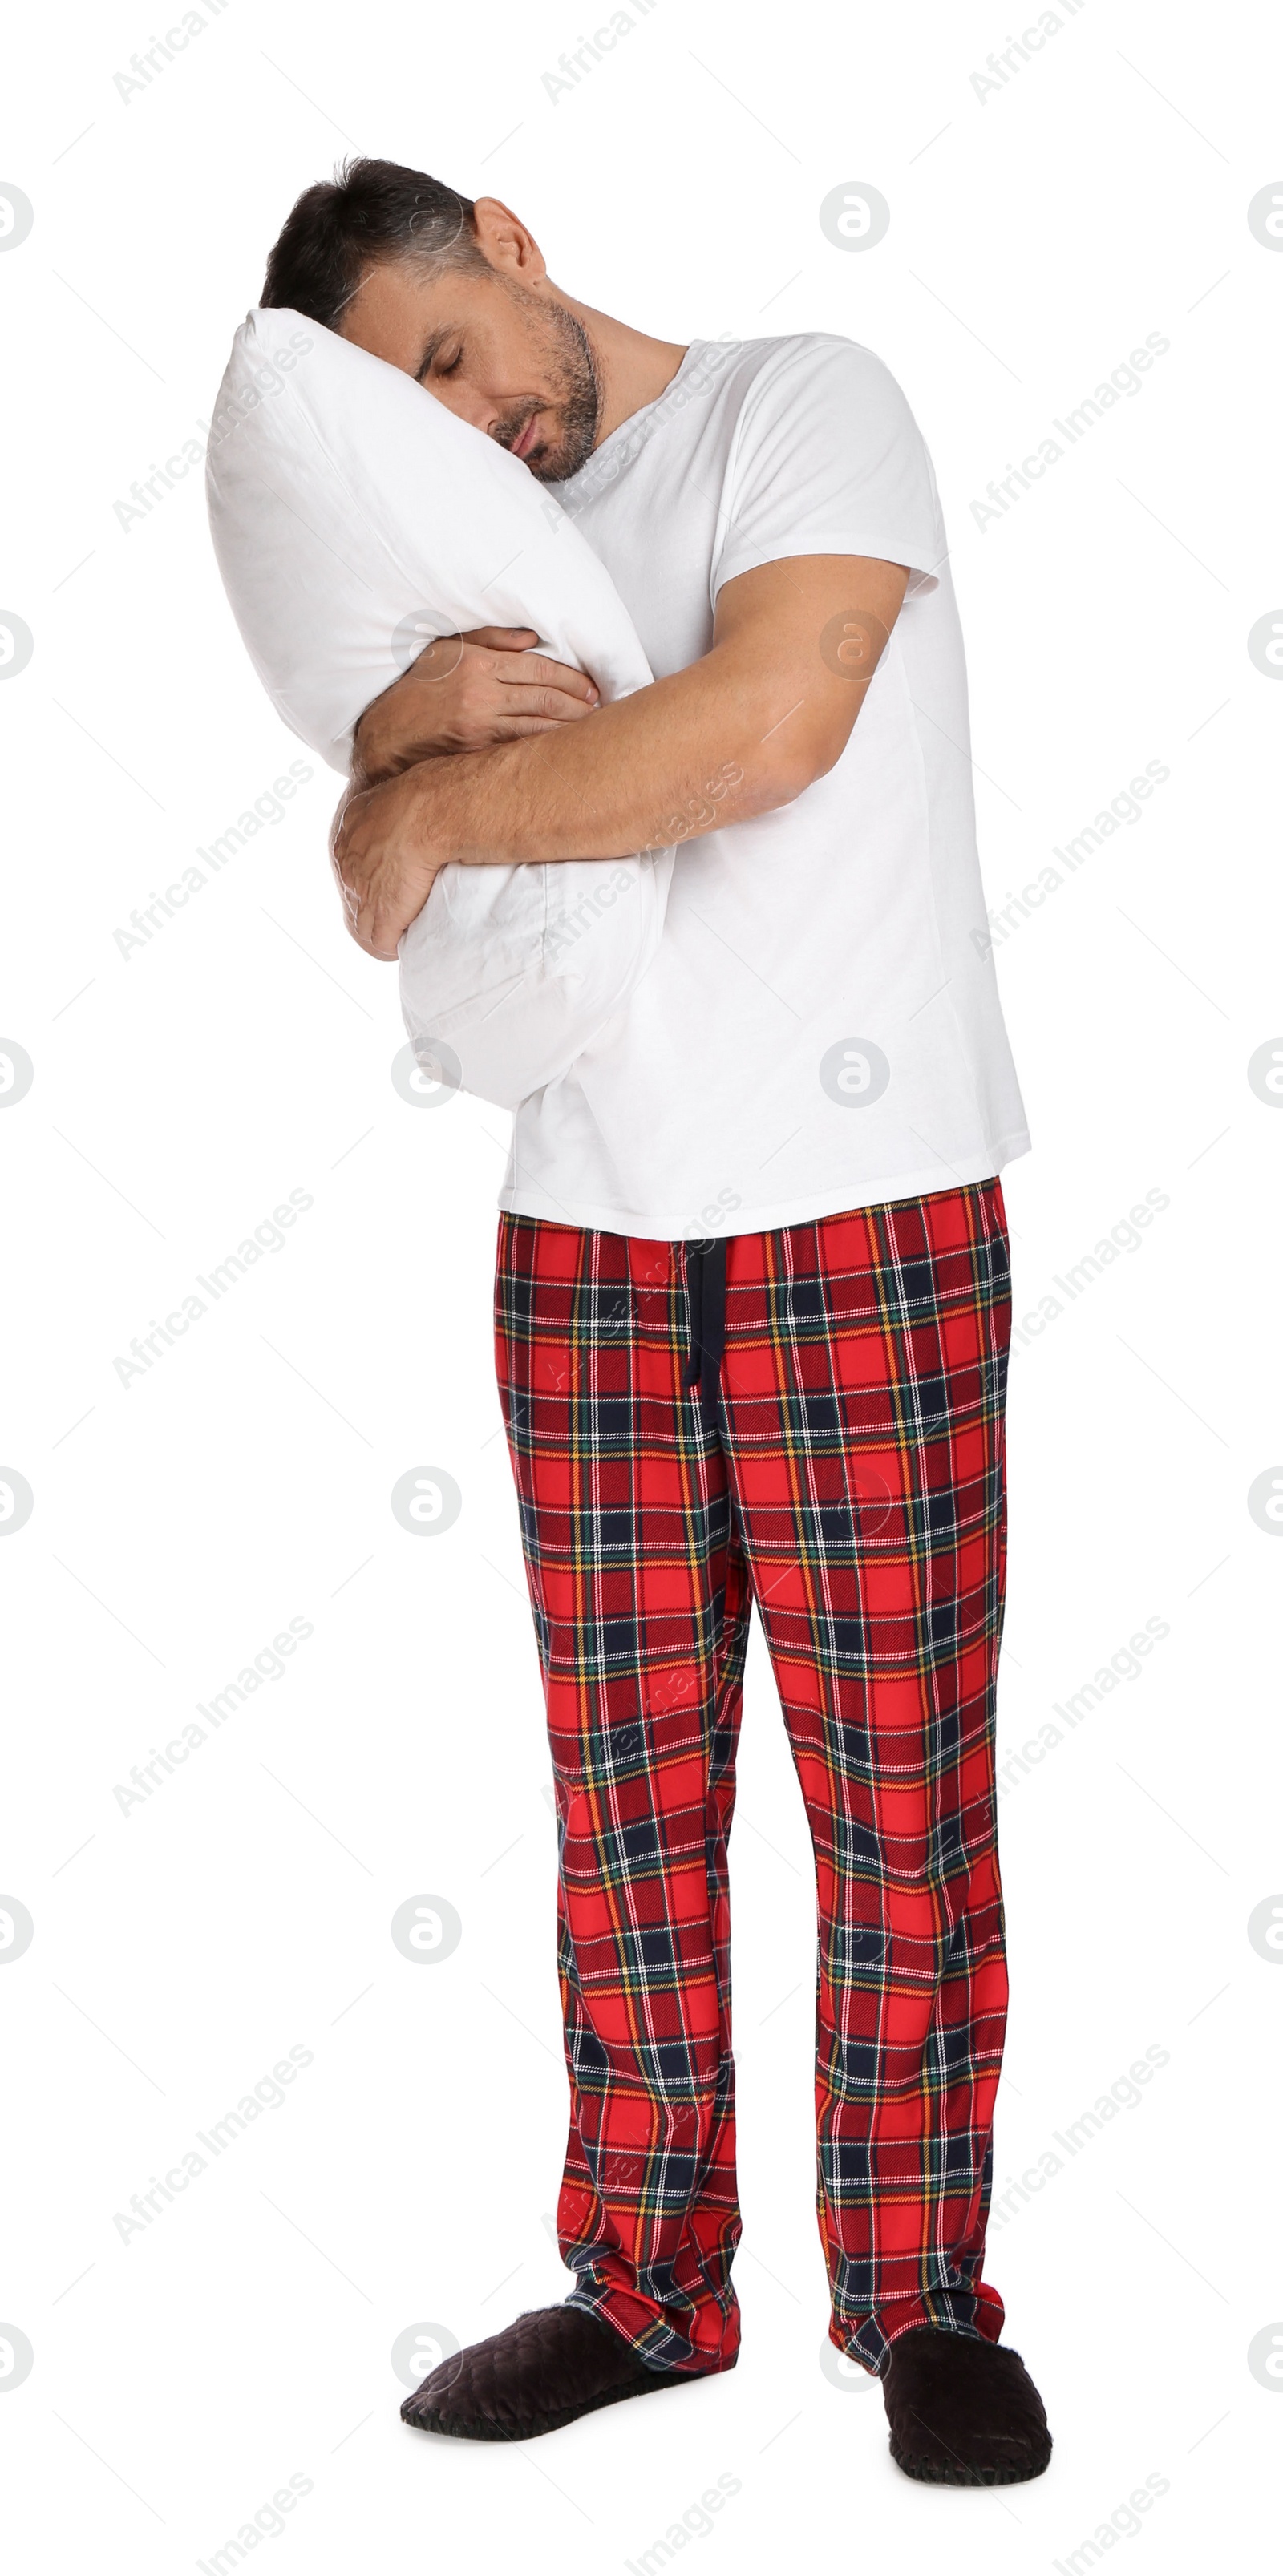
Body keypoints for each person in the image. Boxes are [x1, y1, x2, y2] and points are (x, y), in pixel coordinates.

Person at [259, 159, 1050, 2485]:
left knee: (897, 1792)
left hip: (868, 1204)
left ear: (504, 238)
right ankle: (642, 2283)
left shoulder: (812, 407)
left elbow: (765, 732)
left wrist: (447, 796)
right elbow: (356, 857)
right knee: (626, 1804)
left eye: (444, 353)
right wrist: (395, 793)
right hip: (585, 1232)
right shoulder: (458, 570)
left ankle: (916, 2299)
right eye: (403, 411)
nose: (464, 417)